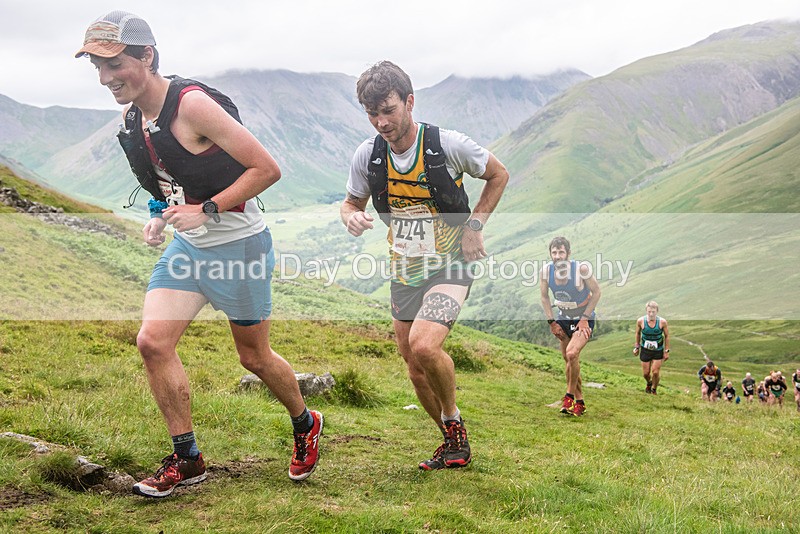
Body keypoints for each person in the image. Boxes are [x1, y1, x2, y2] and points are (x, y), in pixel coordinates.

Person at [76, 11, 323, 497]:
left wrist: (207, 209)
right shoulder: (133, 117)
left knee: (253, 357)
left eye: (114, 64)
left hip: (240, 247)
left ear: (146, 56)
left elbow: (267, 169)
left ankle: (305, 421)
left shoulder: (192, 105)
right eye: (97, 68)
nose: (105, 78)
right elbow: (168, 178)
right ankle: (187, 458)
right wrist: (158, 213)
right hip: (189, 250)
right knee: (152, 342)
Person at [341, 61, 508, 470]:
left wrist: (474, 226)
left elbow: (498, 174)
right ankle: (452, 442)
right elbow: (351, 203)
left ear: (409, 102)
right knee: (414, 367)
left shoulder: (447, 145)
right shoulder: (368, 156)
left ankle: (453, 421)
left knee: (424, 345)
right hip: (405, 270)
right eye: (372, 113)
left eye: (389, 110)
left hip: (452, 263)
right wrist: (351, 218)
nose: (381, 122)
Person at [540, 237, 602, 416]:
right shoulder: (546, 272)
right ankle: (579, 401)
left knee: (572, 353)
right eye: (554, 252)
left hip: (583, 319)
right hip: (563, 319)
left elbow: (597, 292)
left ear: (568, 253)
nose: (557, 256)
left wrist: (585, 318)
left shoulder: (581, 269)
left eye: (561, 252)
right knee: (569, 361)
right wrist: (552, 322)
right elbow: (544, 297)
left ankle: (568, 397)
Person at [633, 301, 670, 394]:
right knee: (645, 374)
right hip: (645, 350)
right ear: (646, 311)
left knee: (656, 372)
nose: (651, 314)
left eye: (653, 312)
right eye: (649, 311)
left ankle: (654, 389)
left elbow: (667, 336)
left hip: (658, 350)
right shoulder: (640, 321)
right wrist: (636, 347)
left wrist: (666, 351)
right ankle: (649, 383)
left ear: (657, 311)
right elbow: (637, 333)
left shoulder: (662, 322)